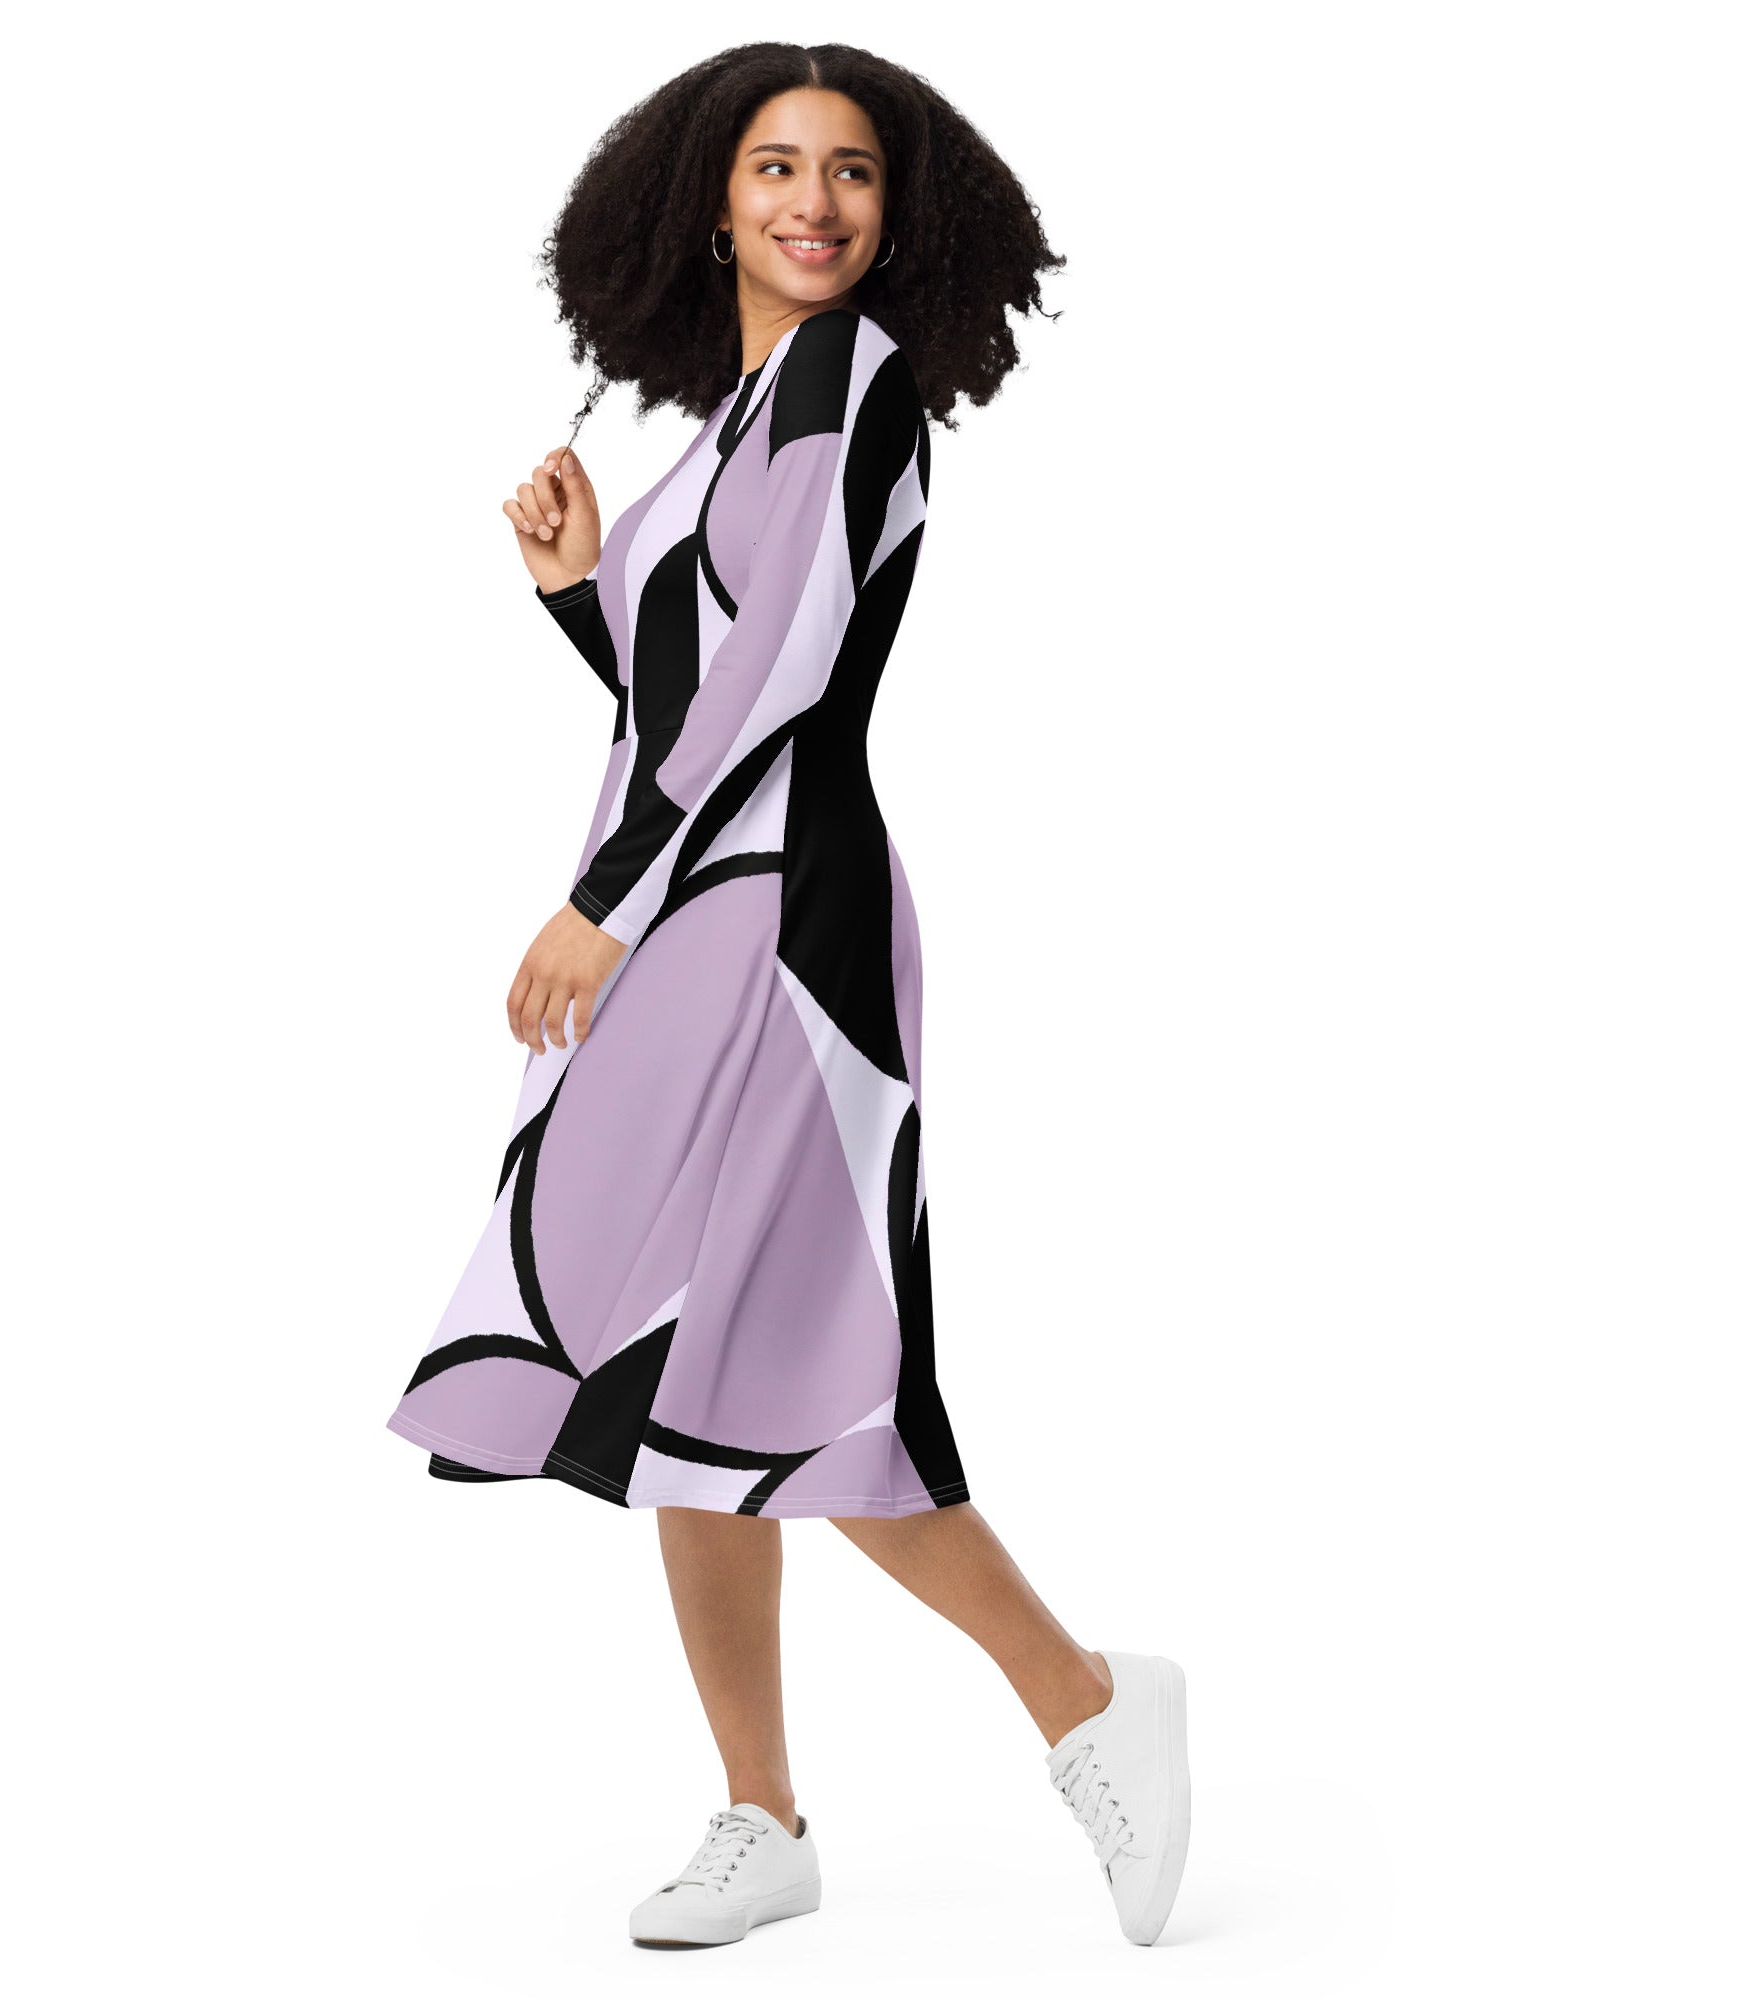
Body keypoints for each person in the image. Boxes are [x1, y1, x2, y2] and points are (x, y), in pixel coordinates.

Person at [385, 42, 1191, 1950]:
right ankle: (764, 1815)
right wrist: (579, 593)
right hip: (701, 910)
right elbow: (687, 688)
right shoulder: (740, 415)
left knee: (810, 1375)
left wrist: (598, 902)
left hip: (784, 924)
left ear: (896, 214)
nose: (813, 202)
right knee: (682, 1368)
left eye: (849, 172)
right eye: (774, 166)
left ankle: (1090, 1701)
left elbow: (784, 690)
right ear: (711, 201)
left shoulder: (853, 379)